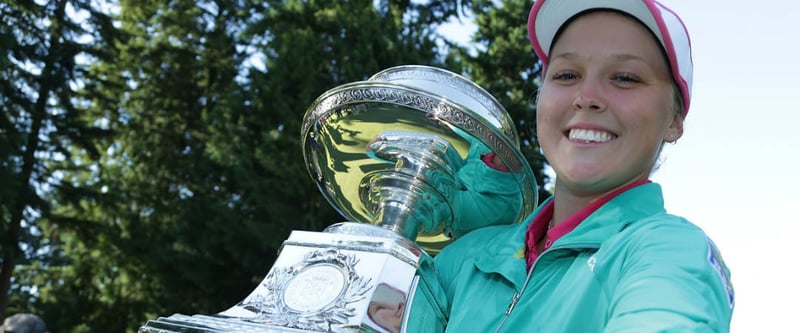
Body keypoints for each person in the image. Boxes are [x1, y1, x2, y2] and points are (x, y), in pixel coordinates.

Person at [407, 1, 735, 332]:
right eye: (567, 75)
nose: (587, 95)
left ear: (674, 120)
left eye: (625, 78)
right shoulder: (463, 259)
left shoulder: (669, 251)